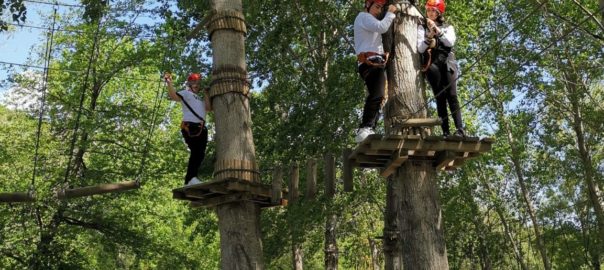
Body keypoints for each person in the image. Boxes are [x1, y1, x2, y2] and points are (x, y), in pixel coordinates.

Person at [417, 0, 465, 137]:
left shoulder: (448, 27)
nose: (430, 13)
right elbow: (420, 48)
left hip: (448, 63)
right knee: (440, 97)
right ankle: (445, 132)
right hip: (433, 64)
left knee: (452, 95)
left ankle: (460, 129)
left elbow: (450, 42)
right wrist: (429, 36)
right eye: (429, 10)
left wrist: (437, 31)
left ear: (439, 13)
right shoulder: (422, 28)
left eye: (433, 11)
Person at [353, 0, 398, 143]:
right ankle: (365, 127)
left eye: (381, 8)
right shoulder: (363, 17)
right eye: (376, 7)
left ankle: (369, 127)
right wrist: (390, 12)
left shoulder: (367, 20)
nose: (379, 11)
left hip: (372, 61)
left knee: (379, 95)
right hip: (371, 62)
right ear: (368, 5)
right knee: (377, 94)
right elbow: (382, 27)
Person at [164, 72, 212, 186]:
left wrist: (206, 93)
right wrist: (169, 83)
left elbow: (209, 108)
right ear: (189, 84)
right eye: (194, 82)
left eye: (198, 83)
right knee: (196, 152)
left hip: (201, 128)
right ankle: (191, 179)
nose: (196, 84)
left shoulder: (200, 99)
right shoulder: (186, 93)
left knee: (200, 154)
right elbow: (173, 96)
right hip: (190, 126)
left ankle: (190, 179)